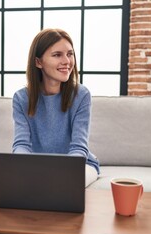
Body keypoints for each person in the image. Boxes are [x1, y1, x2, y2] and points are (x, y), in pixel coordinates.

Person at [12, 28, 99, 187]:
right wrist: (22, 167)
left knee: (69, 183)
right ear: (38, 62)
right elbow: (21, 145)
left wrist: (60, 174)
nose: (67, 61)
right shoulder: (21, 98)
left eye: (70, 54)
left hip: (79, 166)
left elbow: (79, 148)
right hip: (38, 168)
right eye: (57, 55)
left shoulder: (81, 95)